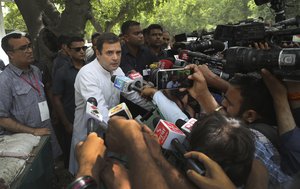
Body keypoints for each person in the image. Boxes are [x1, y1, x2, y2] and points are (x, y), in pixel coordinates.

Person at [183, 64, 292, 188]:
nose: (222, 103)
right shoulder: (255, 131)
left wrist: (203, 95)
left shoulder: (254, 143)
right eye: (224, 97)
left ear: (250, 115)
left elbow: (228, 130)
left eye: (228, 104)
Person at [69, 32, 153, 175]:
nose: (115, 57)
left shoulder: (117, 70)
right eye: (109, 53)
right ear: (98, 53)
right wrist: (129, 134)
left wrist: (156, 105)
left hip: (110, 133)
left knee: (109, 175)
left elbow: (132, 93)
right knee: (88, 175)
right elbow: (100, 112)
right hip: (89, 133)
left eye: (118, 52)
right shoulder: (87, 74)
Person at [0, 31, 62, 158]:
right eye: (23, 48)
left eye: (29, 46)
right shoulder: (4, 81)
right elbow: (2, 119)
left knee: (52, 168)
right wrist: (33, 131)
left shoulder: (36, 70)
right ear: (10, 54)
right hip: (27, 141)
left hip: (46, 131)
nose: (29, 50)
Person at [52, 36, 86, 168]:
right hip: (71, 118)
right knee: (73, 153)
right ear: (69, 51)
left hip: (90, 117)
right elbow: (56, 98)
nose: (82, 51)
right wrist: (66, 123)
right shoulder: (62, 72)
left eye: (84, 48)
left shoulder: (91, 69)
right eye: (77, 49)